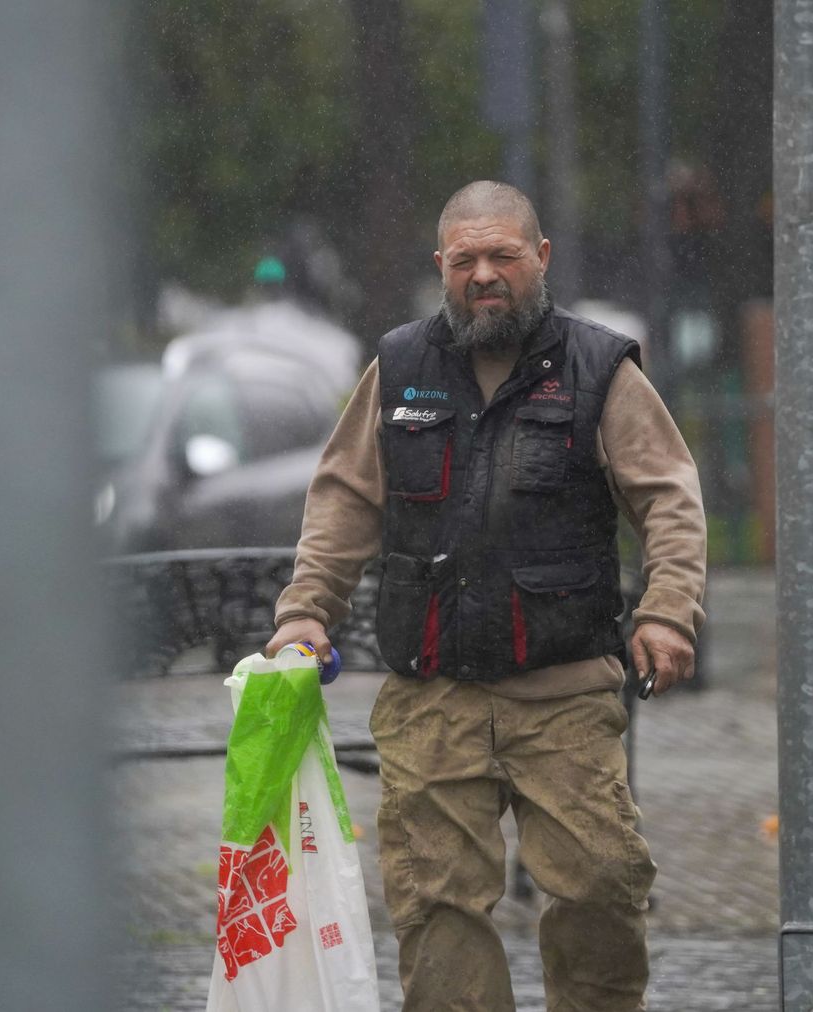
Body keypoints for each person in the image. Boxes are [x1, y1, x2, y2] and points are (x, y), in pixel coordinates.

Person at [266, 180, 706, 1011]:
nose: (484, 275)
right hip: (431, 700)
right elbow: (344, 500)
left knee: (602, 887)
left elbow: (669, 500)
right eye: (464, 260)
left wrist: (668, 612)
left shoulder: (600, 368)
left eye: (503, 255)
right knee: (436, 910)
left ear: (540, 257)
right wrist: (304, 612)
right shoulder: (400, 368)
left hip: (565, 697)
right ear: (441, 265)